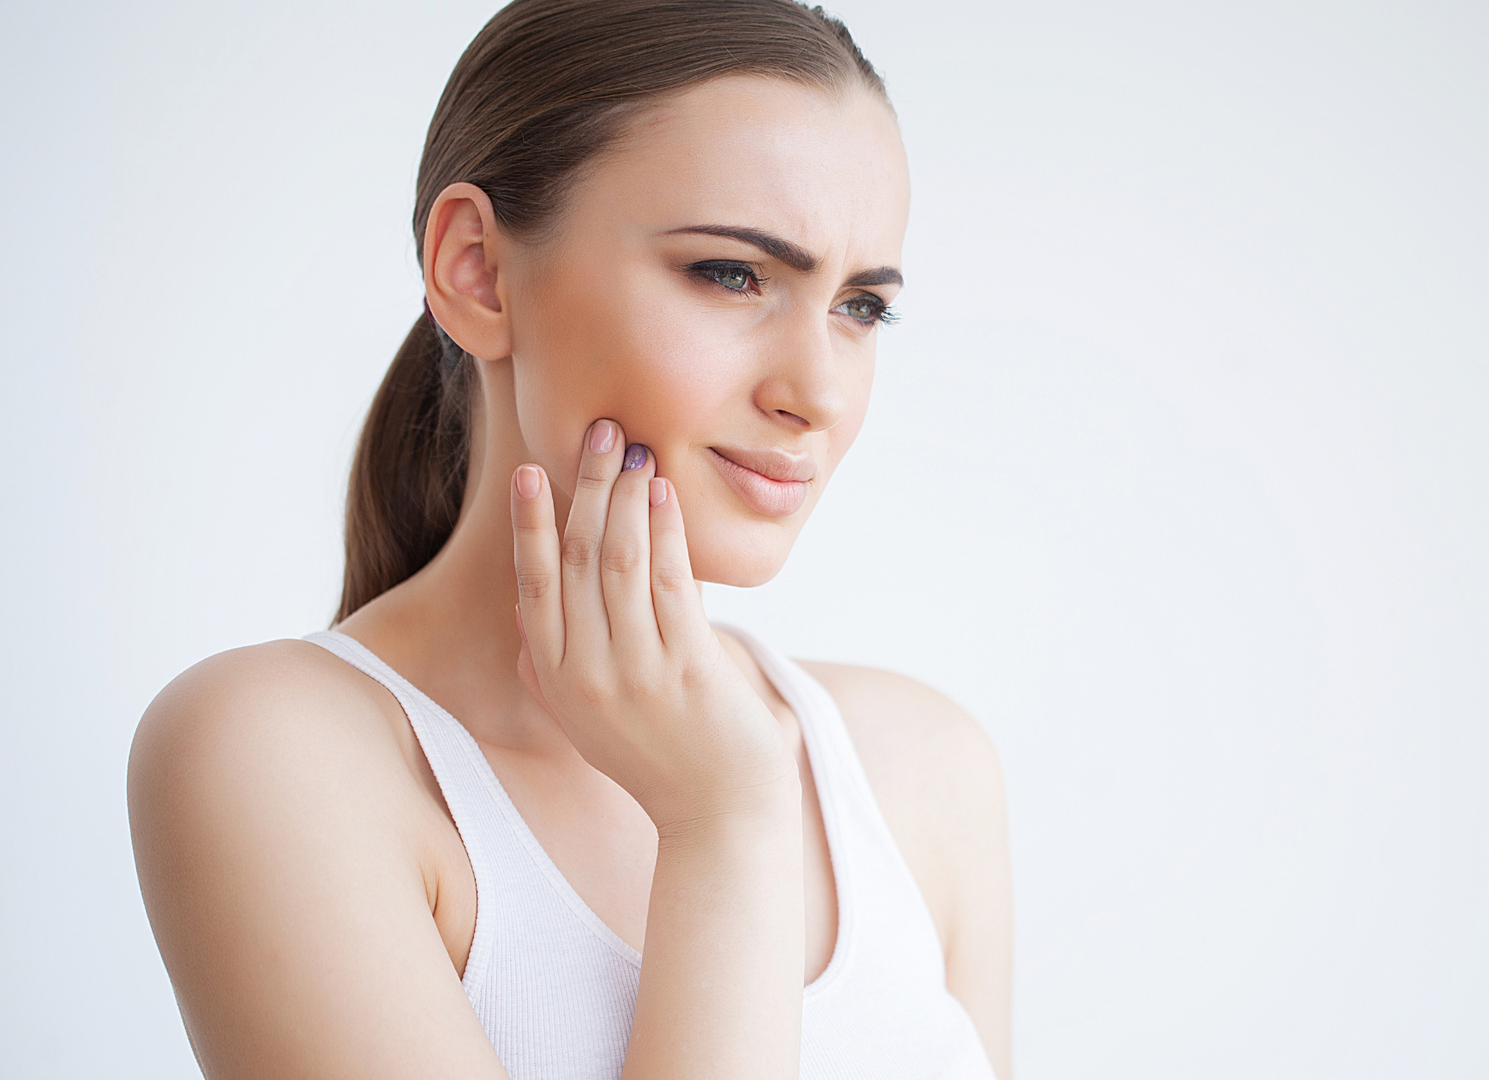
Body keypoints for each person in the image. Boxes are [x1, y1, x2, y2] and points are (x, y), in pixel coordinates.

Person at [125, 2, 1012, 1077]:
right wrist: (723, 824)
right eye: (731, 274)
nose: (818, 390)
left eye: (862, 307)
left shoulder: (921, 767)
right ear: (477, 272)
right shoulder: (282, 758)